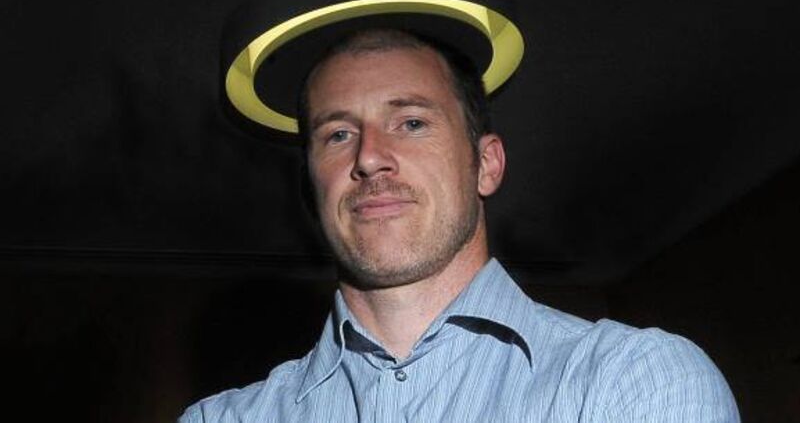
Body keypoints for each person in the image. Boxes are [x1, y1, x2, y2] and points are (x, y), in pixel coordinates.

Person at [179, 27, 739, 421]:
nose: (369, 157)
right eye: (338, 134)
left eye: (411, 122)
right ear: (311, 186)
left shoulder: (633, 379)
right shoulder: (221, 420)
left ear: (486, 165)